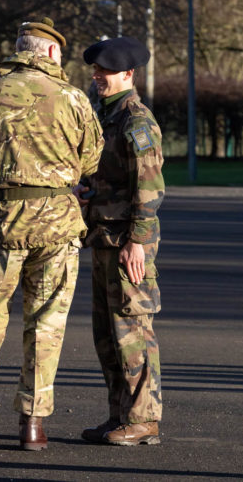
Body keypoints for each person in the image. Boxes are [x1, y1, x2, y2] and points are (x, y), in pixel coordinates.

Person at [0, 17, 104, 451]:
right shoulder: (73, 99)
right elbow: (92, 162)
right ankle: (32, 424)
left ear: (18, 50)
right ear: (50, 52)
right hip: (56, 227)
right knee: (46, 326)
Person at [78, 36, 165, 446]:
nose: (98, 76)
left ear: (128, 74)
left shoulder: (136, 120)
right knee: (107, 334)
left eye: (106, 71)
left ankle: (144, 418)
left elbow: (149, 187)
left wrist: (138, 241)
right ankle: (119, 415)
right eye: (96, 70)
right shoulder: (104, 114)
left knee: (132, 330)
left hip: (127, 241)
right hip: (103, 237)